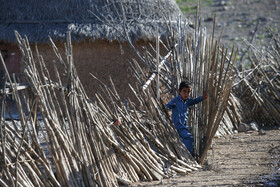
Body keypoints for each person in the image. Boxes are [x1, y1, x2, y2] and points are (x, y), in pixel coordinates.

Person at [166, 81, 208, 155]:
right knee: (189, 138)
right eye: (184, 91)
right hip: (177, 126)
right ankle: (189, 155)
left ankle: (186, 155)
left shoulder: (187, 101)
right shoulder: (175, 101)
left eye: (188, 92)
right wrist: (165, 108)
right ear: (179, 91)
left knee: (185, 141)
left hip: (184, 126)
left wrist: (202, 98)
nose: (186, 94)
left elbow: (195, 101)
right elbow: (168, 106)